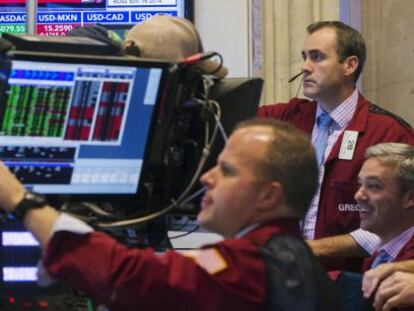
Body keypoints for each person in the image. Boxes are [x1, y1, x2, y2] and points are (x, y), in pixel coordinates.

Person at [0, 118, 341, 310]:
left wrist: (19, 199)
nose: (207, 177)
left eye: (227, 170)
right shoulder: (299, 261)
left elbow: (128, 276)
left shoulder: (244, 266)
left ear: (269, 196)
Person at [258, 20, 414, 271]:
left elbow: (398, 227)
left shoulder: (389, 132)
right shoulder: (290, 117)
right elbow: (224, 116)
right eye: (304, 57)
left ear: (349, 65)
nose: (305, 67)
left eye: (317, 57)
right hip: (287, 274)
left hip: (348, 283)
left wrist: (310, 249)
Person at [336, 143, 414, 310]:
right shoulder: (380, 255)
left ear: (411, 197)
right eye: (360, 184)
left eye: (373, 186)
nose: (358, 195)